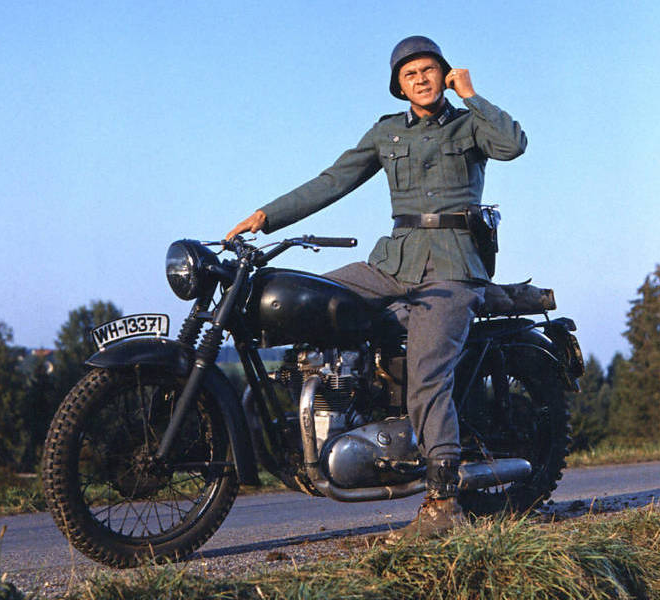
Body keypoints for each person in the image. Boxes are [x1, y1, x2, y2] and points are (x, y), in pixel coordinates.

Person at [226, 35, 527, 540]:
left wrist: (473, 95)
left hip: (454, 267)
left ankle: (444, 503)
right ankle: (320, 417)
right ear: (399, 86)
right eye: (411, 75)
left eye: (430, 70)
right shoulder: (386, 133)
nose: (422, 79)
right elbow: (332, 180)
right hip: (393, 261)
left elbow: (513, 146)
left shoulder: (471, 124)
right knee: (303, 301)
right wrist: (266, 216)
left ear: (445, 75)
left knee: (428, 375)